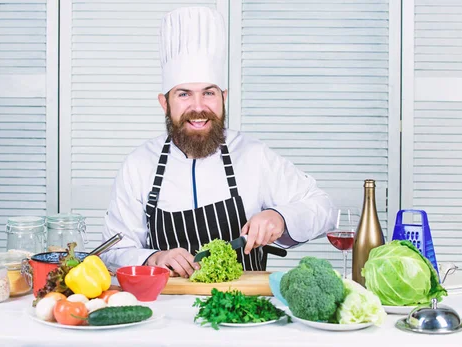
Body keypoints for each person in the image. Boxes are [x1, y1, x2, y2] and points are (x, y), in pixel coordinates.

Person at [100, 6, 337, 278]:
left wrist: (281, 217)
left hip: (242, 311)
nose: (198, 107)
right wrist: (153, 257)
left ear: (223, 97)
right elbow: (112, 251)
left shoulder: (253, 155)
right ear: (164, 103)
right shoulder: (139, 165)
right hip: (165, 309)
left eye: (209, 93)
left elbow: (324, 208)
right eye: (184, 94)